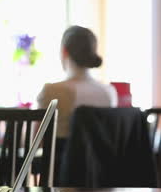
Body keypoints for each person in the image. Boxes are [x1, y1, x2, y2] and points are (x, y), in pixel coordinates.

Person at [36, 25, 117, 183]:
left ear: (64, 51)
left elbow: (38, 141)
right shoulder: (109, 92)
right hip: (101, 178)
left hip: (61, 177)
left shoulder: (52, 91)